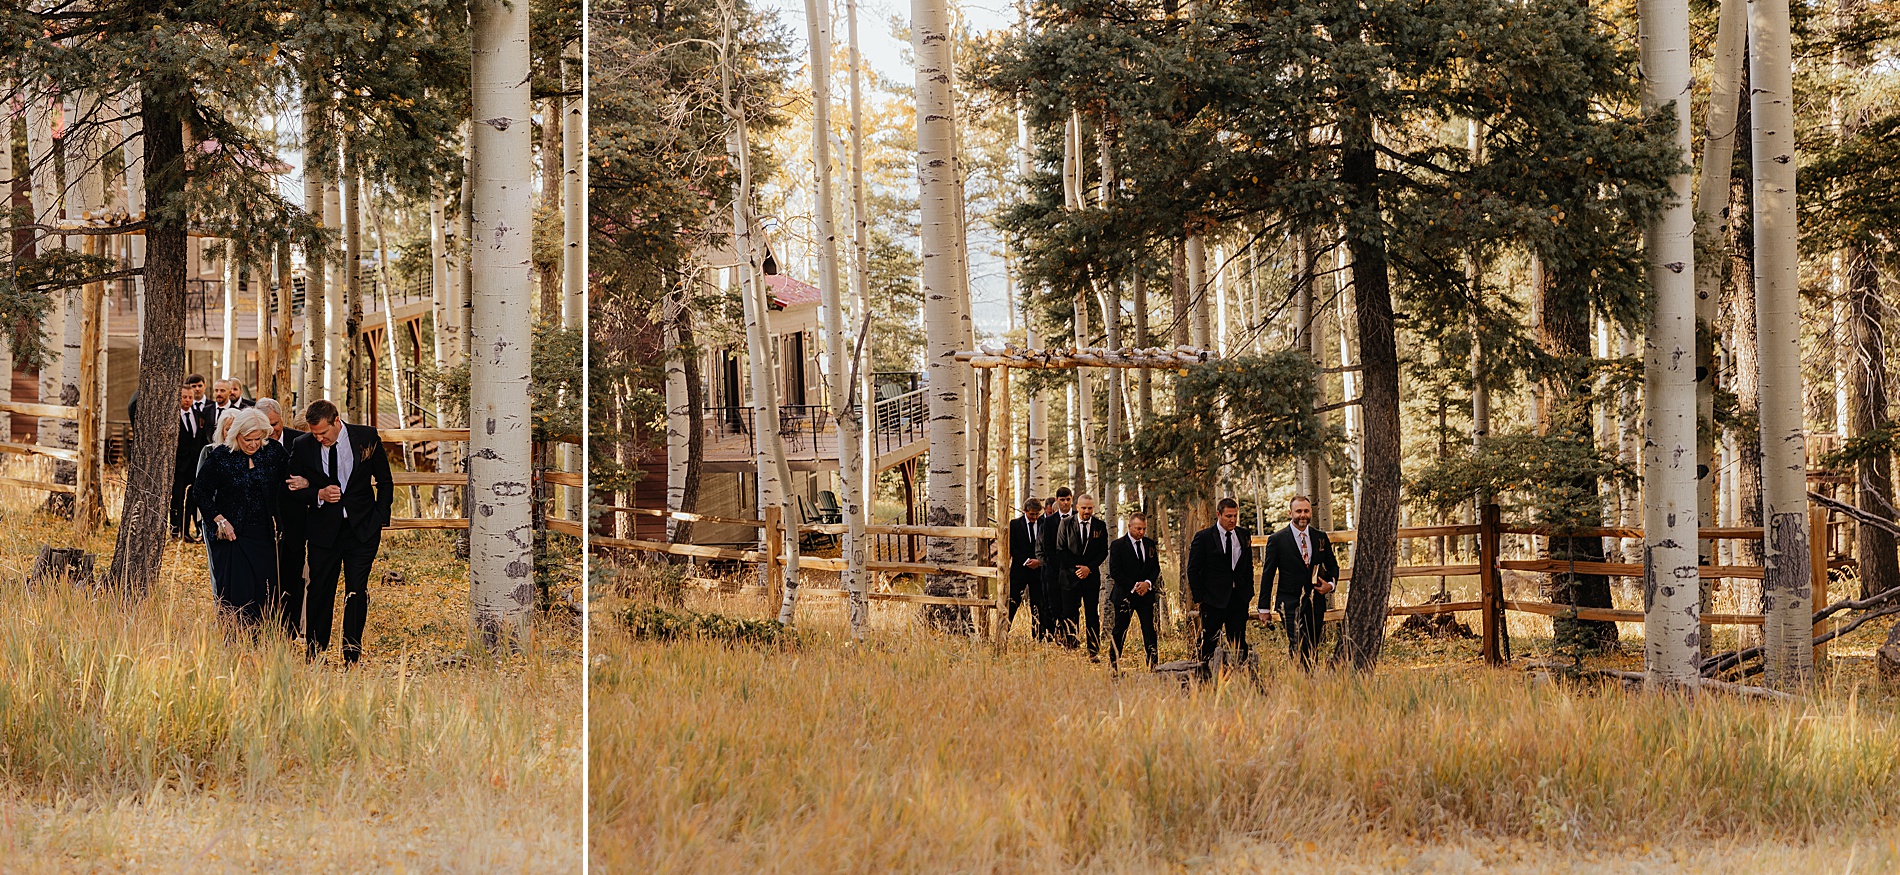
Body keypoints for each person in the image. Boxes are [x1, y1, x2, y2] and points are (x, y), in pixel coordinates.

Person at [290, 399, 394, 665]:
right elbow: (290, 489)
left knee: (356, 592)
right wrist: (318, 493)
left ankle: (351, 655)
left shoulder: (366, 437)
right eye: (315, 434)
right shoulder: (302, 446)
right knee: (320, 591)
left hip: (362, 531)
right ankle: (316, 653)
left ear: (337, 421)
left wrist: (380, 518)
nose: (320, 439)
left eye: (323, 433)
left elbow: (384, 481)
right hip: (323, 533)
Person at [192, 409, 304, 626]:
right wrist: (219, 519)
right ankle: (234, 641)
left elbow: (290, 478)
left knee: (264, 591)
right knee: (237, 594)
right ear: (236, 435)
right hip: (232, 536)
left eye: (258, 439)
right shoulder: (222, 456)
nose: (253, 444)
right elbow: (200, 491)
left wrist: (304, 483)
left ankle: (261, 642)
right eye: (248, 439)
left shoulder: (272, 452)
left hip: (264, 534)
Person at [1259, 495, 1339, 669]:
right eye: (1299, 511)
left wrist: (1330, 586)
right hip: (1288, 602)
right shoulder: (1277, 539)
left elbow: (1333, 566)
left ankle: (1308, 680)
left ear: (1311, 512)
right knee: (1297, 643)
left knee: (1312, 644)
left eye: (1306, 511)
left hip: (1314, 602)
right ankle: (1297, 678)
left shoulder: (1320, 537)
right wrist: (1263, 608)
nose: (1303, 515)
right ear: (1290, 513)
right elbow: (1268, 575)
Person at [258, 398, 310, 638]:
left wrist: (308, 483)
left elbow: (317, 472)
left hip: (295, 520)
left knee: (293, 574)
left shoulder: (298, 441)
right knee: (266, 575)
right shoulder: (253, 443)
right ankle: (265, 625)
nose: (272, 430)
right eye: (266, 425)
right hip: (262, 520)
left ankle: (292, 628)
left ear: (283, 418)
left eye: (275, 424)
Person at [1185, 497, 1254, 663]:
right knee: (1208, 642)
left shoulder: (1243, 535)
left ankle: (1241, 677)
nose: (1232, 520)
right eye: (1228, 516)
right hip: (1213, 600)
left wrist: (1248, 591)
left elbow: (1247, 566)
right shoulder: (1204, 537)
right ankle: (1202, 677)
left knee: (1238, 643)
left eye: (1235, 516)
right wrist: (1200, 598)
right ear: (1218, 514)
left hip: (1238, 599)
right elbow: (1193, 569)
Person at [1052, 494, 1109, 658]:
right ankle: (1070, 647)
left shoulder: (1100, 525)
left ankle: (1093, 651)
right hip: (1069, 576)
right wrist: (1077, 569)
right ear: (1077, 507)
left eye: (1090, 508)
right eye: (1084, 508)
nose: (1087, 511)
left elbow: (1103, 552)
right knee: (1069, 613)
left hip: (1090, 577)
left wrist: (1088, 568)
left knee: (1092, 613)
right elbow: (1060, 549)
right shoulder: (1066, 523)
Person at [1107, 511, 1162, 671]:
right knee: (1120, 630)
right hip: (1125, 594)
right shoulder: (1118, 545)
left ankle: (1153, 665)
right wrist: (1135, 586)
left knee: (1149, 630)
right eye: (1138, 528)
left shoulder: (1149, 544)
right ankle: (1114, 665)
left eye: (1144, 529)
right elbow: (1115, 571)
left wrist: (1147, 583)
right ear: (1129, 526)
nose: (1141, 532)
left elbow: (1155, 568)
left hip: (1146, 594)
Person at [1035, 487, 1074, 643]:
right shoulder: (1048, 522)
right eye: (1062, 499)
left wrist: (1070, 565)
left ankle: (1070, 637)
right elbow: (1046, 547)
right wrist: (1057, 564)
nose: (1065, 502)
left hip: (1072, 570)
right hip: (1052, 568)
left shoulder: (1076, 518)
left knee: (1071, 606)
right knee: (1053, 605)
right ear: (1057, 500)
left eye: (1067, 499)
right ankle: (1053, 633)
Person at [171, 386, 208, 541]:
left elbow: (201, 439)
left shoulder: (199, 416)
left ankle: (187, 531)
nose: (187, 400)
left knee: (192, 498)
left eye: (189, 397)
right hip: (179, 465)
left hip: (194, 464)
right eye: (183, 397)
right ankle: (175, 530)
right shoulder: (173, 417)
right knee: (177, 497)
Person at [1006, 498, 1045, 637]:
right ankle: (1004, 631)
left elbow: (1047, 546)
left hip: (1038, 571)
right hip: (1019, 570)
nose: (1034, 518)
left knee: (1038, 604)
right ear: (1025, 511)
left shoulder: (1044, 523)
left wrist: (1039, 561)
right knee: (1012, 602)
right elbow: (1012, 546)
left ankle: (1039, 636)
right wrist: (1026, 560)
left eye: (1037, 515)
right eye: (1032, 514)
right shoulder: (1015, 524)